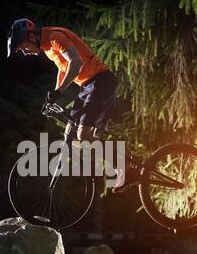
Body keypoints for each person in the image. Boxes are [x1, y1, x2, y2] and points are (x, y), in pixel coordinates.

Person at [7, 18, 127, 192]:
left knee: (83, 135)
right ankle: (115, 157)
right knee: (71, 133)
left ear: (30, 36)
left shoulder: (55, 38)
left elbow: (75, 63)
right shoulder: (47, 47)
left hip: (101, 81)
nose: (25, 52)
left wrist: (59, 92)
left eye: (23, 47)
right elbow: (63, 69)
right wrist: (54, 95)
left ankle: (122, 167)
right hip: (88, 86)